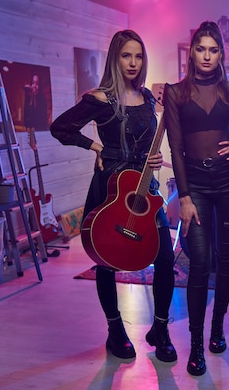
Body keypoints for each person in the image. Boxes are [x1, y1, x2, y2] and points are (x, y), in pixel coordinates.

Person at [50, 30, 177, 363]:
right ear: (115, 59)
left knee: (165, 257)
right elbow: (60, 128)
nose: (133, 63)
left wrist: (155, 158)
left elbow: (149, 140)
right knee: (105, 261)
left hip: (144, 185)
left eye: (138, 56)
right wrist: (94, 146)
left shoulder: (149, 98)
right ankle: (114, 330)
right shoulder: (100, 99)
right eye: (126, 56)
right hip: (110, 185)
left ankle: (160, 328)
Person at [163, 21, 229, 376]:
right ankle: (196, 342)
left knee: (227, 261)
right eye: (201, 49)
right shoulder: (176, 92)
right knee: (199, 261)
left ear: (221, 54)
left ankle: (217, 329)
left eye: (214, 50)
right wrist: (183, 196)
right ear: (191, 52)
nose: (207, 56)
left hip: (228, 182)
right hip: (194, 183)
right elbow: (176, 148)